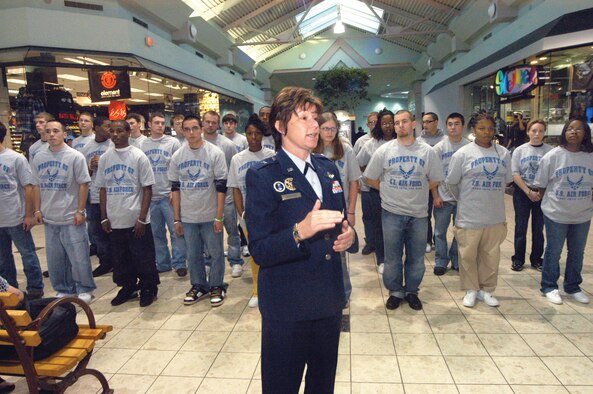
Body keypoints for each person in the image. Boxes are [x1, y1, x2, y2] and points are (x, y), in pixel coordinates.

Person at [245, 86, 356, 393]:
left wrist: (350, 236)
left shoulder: (327, 168)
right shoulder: (263, 175)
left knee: (322, 385)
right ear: (280, 126)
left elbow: (343, 221)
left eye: (315, 117)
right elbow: (260, 250)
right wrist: (298, 232)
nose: (313, 125)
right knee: (282, 386)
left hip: (328, 300)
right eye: (303, 117)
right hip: (287, 306)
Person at [364, 109, 443, 310]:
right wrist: (387, 189)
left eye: (404, 121)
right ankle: (396, 291)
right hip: (391, 213)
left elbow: (434, 179)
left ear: (414, 124)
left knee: (416, 258)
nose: (400, 125)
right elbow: (370, 177)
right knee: (392, 257)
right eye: (397, 122)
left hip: (418, 214)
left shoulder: (427, 152)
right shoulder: (385, 151)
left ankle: (411, 291)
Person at [446, 112, 512, 308]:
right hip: (469, 215)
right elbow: (451, 183)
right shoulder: (463, 154)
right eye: (482, 128)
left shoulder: (503, 154)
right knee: (467, 255)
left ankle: (486, 290)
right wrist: (465, 199)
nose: (486, 132)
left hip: (495, 215)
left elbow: (506, 181)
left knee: (491, 256)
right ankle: (471, 289)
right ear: (473, 130)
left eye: (490, 128)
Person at [31, 120, 96, 303]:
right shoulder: (38, 157)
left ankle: (85, 288)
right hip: (50, 217)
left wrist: (80, 210)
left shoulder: (75, 156)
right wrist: (37, 209)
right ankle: (63, 288)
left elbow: (84, 184)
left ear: (64, 134)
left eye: (56, 131)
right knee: (55, 259)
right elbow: (36, 186)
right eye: (48, 131)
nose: (52, 134)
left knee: (78, 257)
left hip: (70, 216)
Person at [96, 120, 159, 307]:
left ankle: (148, 288)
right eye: (112, 131)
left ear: (128, 132)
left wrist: (142, 217)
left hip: (135, 219)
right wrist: (104, 216)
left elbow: (147, 188)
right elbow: (103, 189)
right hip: (115, 219)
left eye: (120, 131)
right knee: (121, 259)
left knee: (143, 257)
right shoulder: (106, 157)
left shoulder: (138, 156)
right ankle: (128, 286)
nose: (115, 134)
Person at [169, 115, 228, 306]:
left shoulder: (214, 153)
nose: (191, 133)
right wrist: (177, 219)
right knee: (192, 254)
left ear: (201, 128)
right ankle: (199, 285)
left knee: (216, 252)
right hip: (188, 216)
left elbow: (221, 187)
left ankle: (217, 285)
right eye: (187, 129)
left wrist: (219, 217)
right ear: (183, 131)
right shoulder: (178, 156)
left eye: (195, 128)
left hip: (210, 214)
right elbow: (175, 190)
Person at [534, 118, 593, 305]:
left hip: (582, 214)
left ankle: (573, 286)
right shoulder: (553, 156)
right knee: (553, 250)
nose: (574, 132)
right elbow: (542, 185)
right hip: (556, 213)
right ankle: (549, 286)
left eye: (579, 129)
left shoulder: (590, 156)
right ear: (564, 132)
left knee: (577, 252)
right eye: (570, 129)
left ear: (586, 133)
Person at [227, 114, 274, 308]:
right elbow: (235, 188)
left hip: (270, 214)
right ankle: (257, 289)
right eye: (249, 134)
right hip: (249, 216)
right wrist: (242, 213)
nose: (253, 137)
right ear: (245, 135)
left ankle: (274, 287)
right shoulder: (238, 159)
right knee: (256, 255)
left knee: (273, 253)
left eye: (257, 133)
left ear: (262, 135)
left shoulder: (272, 155)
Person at [314, 111, 361, 302]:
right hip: (316, 211)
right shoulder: (310, 150)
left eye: (333, 128)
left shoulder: (345, 149)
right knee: (318, 251)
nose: (330, 132)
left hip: (338, 211)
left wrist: (351, 211)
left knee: (339, 251)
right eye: (326, 128)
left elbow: (353, 182)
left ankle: (344, 293)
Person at [0, 121, 44, 299]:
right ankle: (10, 290)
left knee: (28, 255)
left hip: (16, 217)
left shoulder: (15, 158)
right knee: (3, 259)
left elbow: (29, 187)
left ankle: (35, 288)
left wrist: (29, 214)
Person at [140, 113, 187, 276]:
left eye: (162, 123)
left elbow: (179, 167)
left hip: (168, 194)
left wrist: (176, 191)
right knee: (156, 233)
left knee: (176, 231)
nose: (160, 126)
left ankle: (180, 262)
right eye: (156, 123)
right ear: (149, 124)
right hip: (151, 197)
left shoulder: (172, 143)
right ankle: (163, 263)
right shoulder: (143, 145)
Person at [202, 111, 244, 277]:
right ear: (203, 123)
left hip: (226, 197)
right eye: (207, 122)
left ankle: (235, 261)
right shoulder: (198, 142)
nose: (210, 125)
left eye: (214, 122)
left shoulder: (227, 145)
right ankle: (208, 261)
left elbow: (234, 170)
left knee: (232, 230)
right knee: (208, 233)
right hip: (206, 198)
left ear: (217, 124)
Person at [356, 108, 396, 274]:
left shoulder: (401, 141)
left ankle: (394, 257)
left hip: (397, 192)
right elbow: (358, 163)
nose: (388, 126)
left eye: (390, 122)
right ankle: (382, 258)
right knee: (379, 226)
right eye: (384, 122)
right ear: (379, 124)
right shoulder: (370, 144)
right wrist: (371, 175)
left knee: (394, 227)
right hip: (376, 191)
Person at [510, 119, 552, 272]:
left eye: (541, 131)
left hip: (542, 193)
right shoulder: (520, 150)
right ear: (528, 131)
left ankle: (536, 259)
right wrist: (528, 191)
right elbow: (515, 173)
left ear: (544, 133)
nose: (537, 134)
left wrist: (540, 192)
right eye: (534, 130)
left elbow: (552, 174)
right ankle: (518, 259)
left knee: (538, 228)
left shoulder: (550, 151)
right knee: (521, 227)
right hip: (523, 193)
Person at [431, 112, 470, 275]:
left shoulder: (469, 147)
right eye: (450, 124)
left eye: (457, 124)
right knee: (440, 232)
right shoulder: (439, 147)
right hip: (443, 197)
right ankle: (441, 261)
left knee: (460, 232)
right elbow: (432, 175)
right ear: (446, 126)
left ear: (463, 126)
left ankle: (456, 259)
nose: (453, 127)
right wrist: (435, 195)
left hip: (464, 199)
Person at [80, 116, 114, 277]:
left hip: (113, 195)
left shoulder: (113, 145)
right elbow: (83, 175)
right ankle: (105, 261)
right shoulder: (87, 147)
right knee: (97, 231)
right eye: (107, 126)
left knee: (114, 231)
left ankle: (118, 261)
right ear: (97, 127)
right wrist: (91, 167)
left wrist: (104, 162)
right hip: (94, 195)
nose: (110, 130)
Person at [418, 112, 445, 254]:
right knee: (425, 214)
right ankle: (427, 240)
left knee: (440, 216)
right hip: (426, 184)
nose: (425, 125)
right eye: (424, 122)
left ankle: (439, 240)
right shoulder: (419, 141)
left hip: (443, 184)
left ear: (436, 122)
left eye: (428, 121)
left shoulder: (444, 139)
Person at [353, 112, 377, 256]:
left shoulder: (389, 140)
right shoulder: (362, 141)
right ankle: (370, 242)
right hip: (367, 186)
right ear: (367, 125)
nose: (373, 125)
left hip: (385, 188)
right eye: (371, 122)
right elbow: (355, 162)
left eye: (376, 122)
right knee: (368, 216)